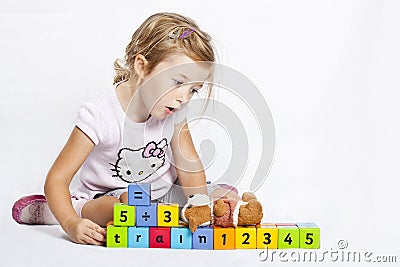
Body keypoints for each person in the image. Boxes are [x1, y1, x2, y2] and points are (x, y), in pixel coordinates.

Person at [11, 12, 240, 246]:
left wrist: (200, 203)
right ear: (142, 66)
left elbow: (189, 165)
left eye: (194, 90)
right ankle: (58, 210)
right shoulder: (100, 115)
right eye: (178, 82)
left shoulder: (175, 110)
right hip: (111, 198)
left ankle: (179, 208)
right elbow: (57, 179)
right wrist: (70, 223)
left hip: (162, 196)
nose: (184, 97)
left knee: (225, 198)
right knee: (125, 207)